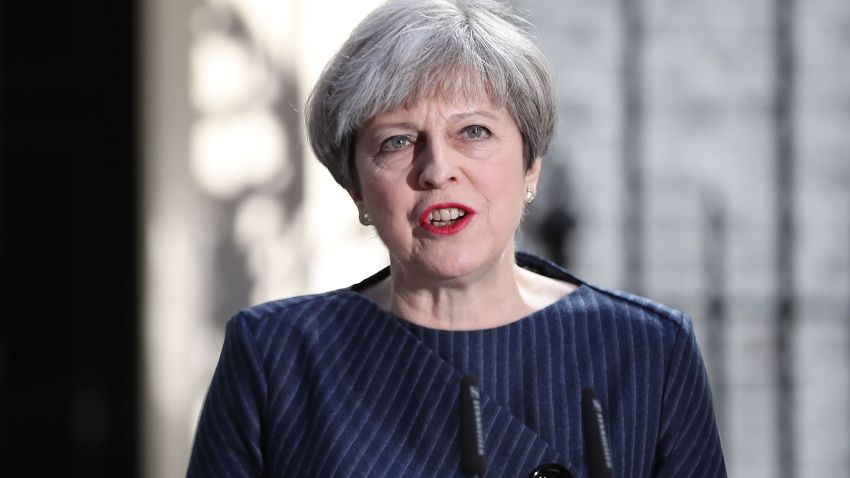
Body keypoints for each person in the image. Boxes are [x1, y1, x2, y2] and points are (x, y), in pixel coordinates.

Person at [187, 0, 727, 476]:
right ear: (357, 189)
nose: (437, 169)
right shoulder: (274, 356)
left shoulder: (648, 350)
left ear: (531, 165)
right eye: (397, 141)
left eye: (473, 131)